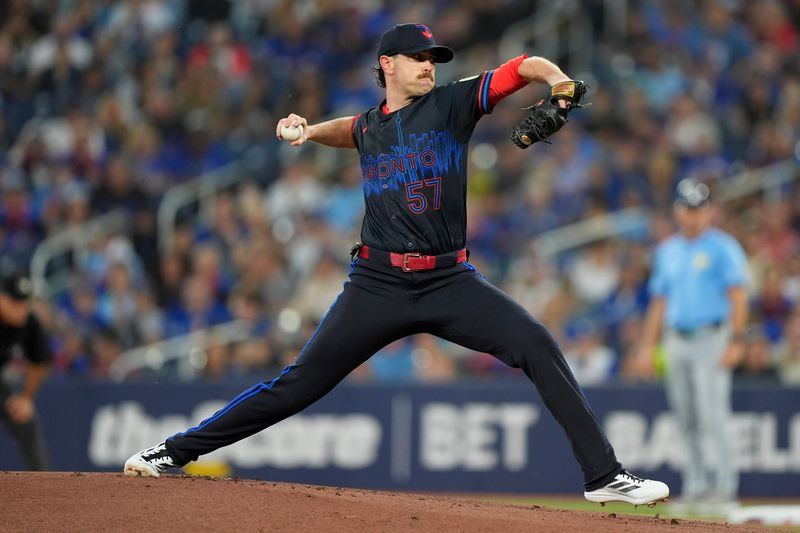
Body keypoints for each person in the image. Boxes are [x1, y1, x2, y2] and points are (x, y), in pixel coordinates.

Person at [125, 22, 668, 506]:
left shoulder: (453, 103)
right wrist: (310, 131)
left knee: (536, 342)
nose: (430, 66)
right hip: (378, 282)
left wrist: (559, 81)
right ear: (388, 64)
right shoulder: (370, 125)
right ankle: (169, 452)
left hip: (449, 278)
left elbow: (520, 67)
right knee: (296, 384)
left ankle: (604, 476)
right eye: (420, 58)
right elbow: (354, 130)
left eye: (434, 59)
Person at [637, 178, 748, 510]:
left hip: (712, 337)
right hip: (676, 340)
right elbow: (658, 302)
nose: (692, 216)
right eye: (687, 208)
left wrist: (738, 339)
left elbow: (738, 295)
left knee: (714, 415)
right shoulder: (667, 251)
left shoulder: (724, 247)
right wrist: (646, 346)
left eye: (699, 209)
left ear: (710, 211)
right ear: (676, 210)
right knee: (686, 417)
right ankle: (697, 485)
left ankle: (725, 488)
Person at [0, 272, 52, 470]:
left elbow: (40, 360)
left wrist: (26, 397)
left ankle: (41, 484)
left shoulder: (28, 322)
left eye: (24, 303)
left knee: (25, 418)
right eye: (15, 302)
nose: (21, 309)